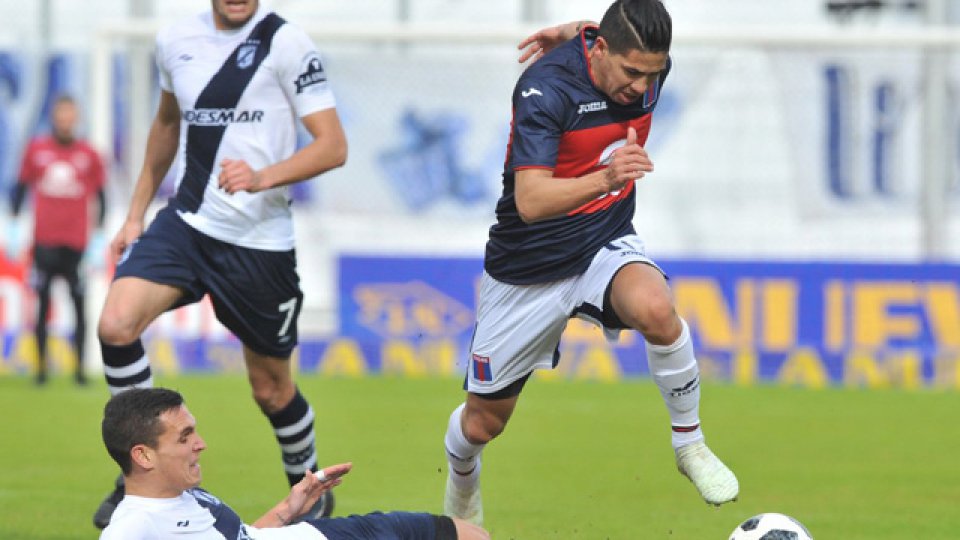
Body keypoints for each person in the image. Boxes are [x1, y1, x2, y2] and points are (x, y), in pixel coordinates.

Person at [441, 0, 739, 526]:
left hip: (603, 241)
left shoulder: (642, 66)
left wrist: (574, 29)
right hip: (527, 267)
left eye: (652, 74)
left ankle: (689, 444)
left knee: (657, 310)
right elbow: (530, 202)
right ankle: (462, 480)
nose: (642, 88)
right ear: (600, 51)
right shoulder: (544, 90)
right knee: (482, 425)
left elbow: (602, 35)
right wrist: (608, 178)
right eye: (631, 73)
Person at [92, 0, 348, 529]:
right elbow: (166, 125)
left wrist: (263, 176)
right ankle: (137, 469)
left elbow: (333, 147)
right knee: (116, 324)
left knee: (271, 389)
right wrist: (136, 213)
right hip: (186, 221)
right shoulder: (175, 41)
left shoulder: (287, 43)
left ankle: (310, 489)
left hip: (259, 241)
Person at [99, 387, 490, 540]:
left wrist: (291, 506)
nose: (200, 445)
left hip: (319, 534)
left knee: (467, 535)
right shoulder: (133, 526)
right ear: (143, 455)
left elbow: (244, 537)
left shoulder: (183, 492)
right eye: (184, 438)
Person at [9, 94, 106, 386]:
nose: (65, 120)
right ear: (54, 117)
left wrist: (99, 236)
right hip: (45, 242)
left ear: (76, 118)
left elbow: (102, 196)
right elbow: (21, 188)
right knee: (41, 303)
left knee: (79, 303)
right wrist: (14, 226)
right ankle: (41, 370)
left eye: (70, 115)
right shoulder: (37, 150)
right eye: (60, 115)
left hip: (76, 243)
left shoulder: (88, 154)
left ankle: (79, 369)